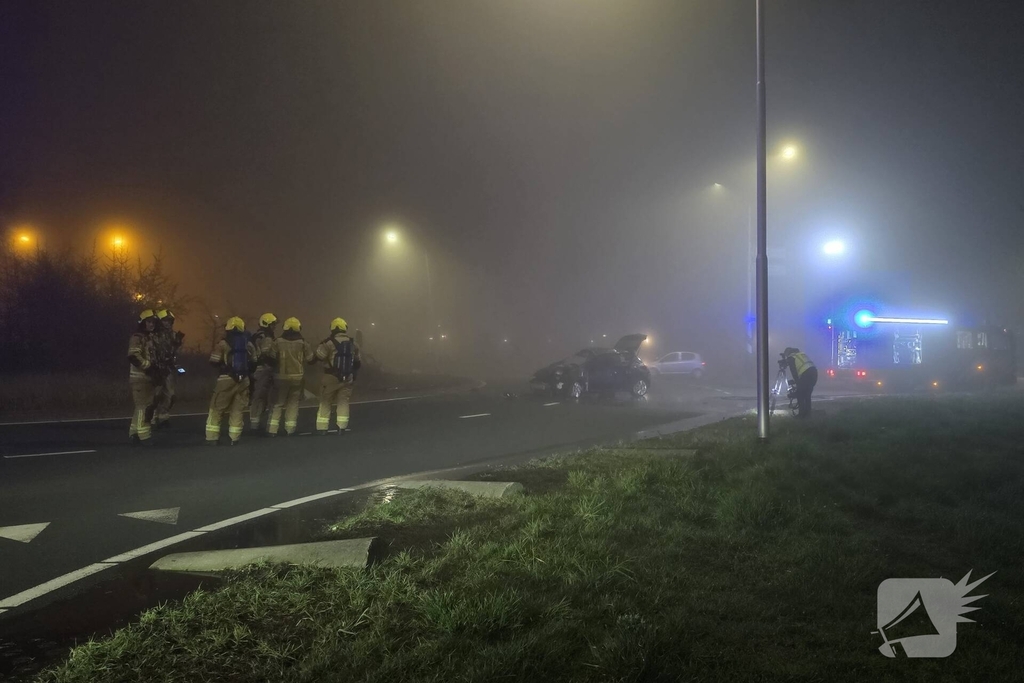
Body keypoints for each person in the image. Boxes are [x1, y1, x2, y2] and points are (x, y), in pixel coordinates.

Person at [206, 317, 257, 446]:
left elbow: (214, 361)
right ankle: (234, 437)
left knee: (216, 408)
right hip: (244, 380)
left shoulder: (222, 343)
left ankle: (212, 437)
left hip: (226, 379)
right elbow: (255, 362)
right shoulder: (249, 344)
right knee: (238, 410)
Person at [266, 317, 314, 436]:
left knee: (278, 403)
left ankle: (272, 430)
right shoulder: (303, 343)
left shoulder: (277, 342)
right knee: (293, 404)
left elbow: (270, 358)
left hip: (280, 378)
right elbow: (310, 359)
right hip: (297, 378)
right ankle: (290, 429)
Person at [314, 317, 362, 435]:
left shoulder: (328, 343)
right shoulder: (353, 343)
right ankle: (342, 427)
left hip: (330, 376)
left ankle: (322, 428)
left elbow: (319, 357)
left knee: (325, 401)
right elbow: (357, 362)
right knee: (343, 402)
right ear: (345, 328)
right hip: (347, 377)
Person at [127, 309, 160, 446]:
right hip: (140, 377)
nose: (151, 325)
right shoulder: (137, 337)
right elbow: (133, 356)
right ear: (143, 323)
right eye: (149, 322)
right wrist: (148, 365)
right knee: (144, 407)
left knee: (141, 407)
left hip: (148, 378)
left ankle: (134, 433)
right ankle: (144, 436)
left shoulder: (151, 338)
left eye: (153, 322)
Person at [151, 309, 185, 429]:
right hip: (156, 368)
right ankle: (152, 417)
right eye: (165, 321)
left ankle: (163, 417)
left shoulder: (173, 335)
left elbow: (173, 352)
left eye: (169, 321)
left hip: (169, 368)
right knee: (155, 394)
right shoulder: (153, 335)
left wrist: (177, 343)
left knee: (170, 394)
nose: (168, 323)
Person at [249, 313, 278, 433]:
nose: (274, 327)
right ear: (266, 324)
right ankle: (255, 426)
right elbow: (265, 353)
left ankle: (256, 423)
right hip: (263, 369)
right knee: (260, 396)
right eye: (273, 324)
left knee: (261, 397)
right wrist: (275, 359)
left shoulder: (257, 335)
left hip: (259, 369)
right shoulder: (266, 337)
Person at [781, 347, 818, 418]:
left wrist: (798, 384)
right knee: (807, 394)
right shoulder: (801, 354)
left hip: (806, 374)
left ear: (788, 353)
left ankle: (801, 415)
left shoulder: (791, 358)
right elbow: (802, 369)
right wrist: (798, 383)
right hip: (814, 373)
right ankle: (807, 414)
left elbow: (794, 373)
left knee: (800, 394)